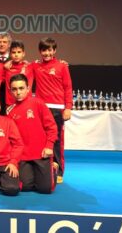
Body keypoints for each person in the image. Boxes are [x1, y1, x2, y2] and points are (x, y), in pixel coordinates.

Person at [7, 74, 58, 193]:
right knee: (24, 187)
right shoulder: (10, 111)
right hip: (23, 156)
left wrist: (49, 146)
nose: (18, 92)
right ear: (10, 91)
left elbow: (51, 127)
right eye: (14, 89)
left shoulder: (38, 103)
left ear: (28, 89)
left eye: (21, 88)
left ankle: (53, 168)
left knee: (45, 189)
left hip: (41, 154)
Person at [31, 37, 73, 184]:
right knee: (41, 139)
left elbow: (68, 88)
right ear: (40, 51)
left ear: (54, 51)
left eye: (49, 50)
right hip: (41, 108)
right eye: (44, 50)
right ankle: (44, 168)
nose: (47, 53)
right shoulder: (35, 65)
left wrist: (68, 107)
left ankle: (59, 170)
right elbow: (20, 65)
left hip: (57, 109)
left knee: (56, 140)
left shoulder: (62, 66)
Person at [4, 40, 34, 107]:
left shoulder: (31, 66)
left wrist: (62, 63)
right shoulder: (6, 68)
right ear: (10, 54)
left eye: (19, 52)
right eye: (14, 52)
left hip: (27, 104)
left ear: (23, 53)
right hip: (10, 104)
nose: (16, 54)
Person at [0, 32, 12, 115]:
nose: (2, 44)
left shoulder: (15, 58)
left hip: (10, 97)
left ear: (9, 44)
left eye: (4, 42)